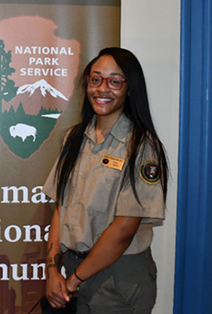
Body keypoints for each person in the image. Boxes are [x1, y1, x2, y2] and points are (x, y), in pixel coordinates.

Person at [42, 47, 169, 314]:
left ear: (129, 88)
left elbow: (124, 230)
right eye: (95, 79)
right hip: (73, 269)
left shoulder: (142, 147)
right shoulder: (73, 139)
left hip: (117, 280)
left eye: (114, 81)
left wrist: (74, 281)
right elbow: (60, 209)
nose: (102, 88)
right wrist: (52, 269)